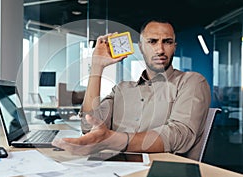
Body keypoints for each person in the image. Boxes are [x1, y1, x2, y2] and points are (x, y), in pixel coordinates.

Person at [52, 18, 211, 159]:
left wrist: (113, 140)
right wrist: (96, 67)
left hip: (162, 174)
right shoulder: (121, 89)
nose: (160, 50)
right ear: (141, 47)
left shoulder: (191, 82)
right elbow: (89, 127)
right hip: (113, 169)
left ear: (174, 47)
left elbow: (179, 136)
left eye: (167, 42)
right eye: (152, 41)